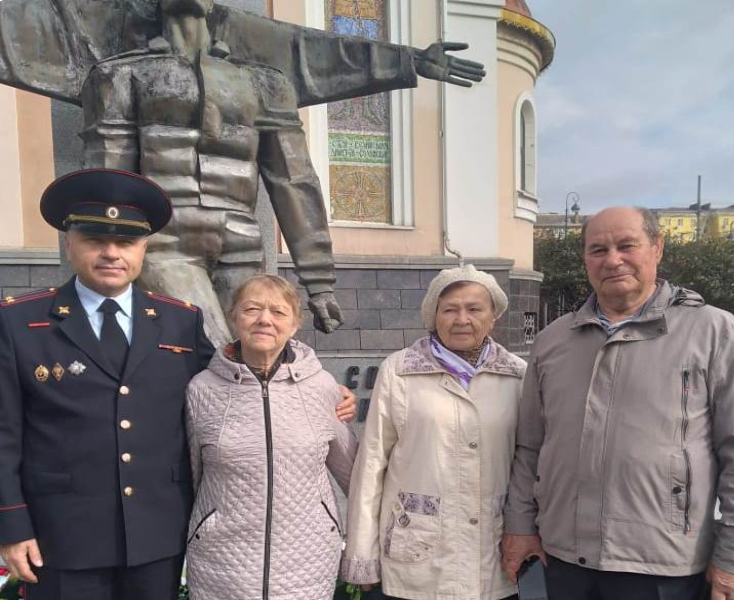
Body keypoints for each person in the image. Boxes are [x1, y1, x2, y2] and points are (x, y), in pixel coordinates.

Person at [0, 168, 357, 600]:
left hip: (156, 534)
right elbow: (5, 435)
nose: (112, 253)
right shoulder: (21, 323)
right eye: (95, 240)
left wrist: (317, 391)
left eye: (126, 242)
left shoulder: (178, 320)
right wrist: (12, 525)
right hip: (63, 533)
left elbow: (234, 381)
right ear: (70, 243)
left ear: (144, 248)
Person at [77, 0, 485, 344]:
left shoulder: (265, 83)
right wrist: (104, 264)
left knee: (257, 351)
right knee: (213, 348)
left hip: (241, 239)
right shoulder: (120, 76)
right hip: (166, 241)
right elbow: (107, 182)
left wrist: (319, 281)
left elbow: (294, 180)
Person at [502, 207, 734, 600]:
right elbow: (530, 447)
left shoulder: (712, 331)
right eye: (598, 249)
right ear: (585, 259)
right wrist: (519, 526)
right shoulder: (553, 341)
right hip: (564, 560)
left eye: (626, 245)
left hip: (663, 566)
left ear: (657, 248)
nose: (612, 260)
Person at [342, 264, 527, 599]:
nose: (462, 319)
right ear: (433, 315)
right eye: (450, 309)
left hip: (492, 553)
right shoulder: (399, 371)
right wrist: (361, 551)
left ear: (493, 317)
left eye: (474, 309)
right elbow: (371, 464)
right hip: (418, 552)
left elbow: (528, 462)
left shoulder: (517, 376)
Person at [184, 274, 357, 599]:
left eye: (278, 312)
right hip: (221, 563)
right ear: (233, 317)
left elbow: (354, 474)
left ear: (294, 325)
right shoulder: (202, 389)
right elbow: (191, 475)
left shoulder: (322, 388)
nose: (265, 319)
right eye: (252, 309)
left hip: (308, 561)